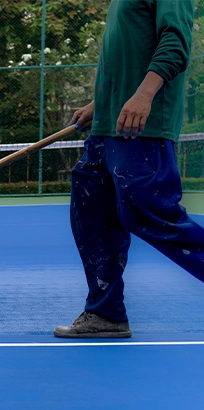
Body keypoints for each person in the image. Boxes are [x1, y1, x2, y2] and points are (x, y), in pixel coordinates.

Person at [57, 0, 197, 338]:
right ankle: (105, 314)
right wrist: (100, 102)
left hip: (141, 126)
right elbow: (126, 56)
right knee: (92, 213)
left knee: (150, 212)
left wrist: (145, 95)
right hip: (108, 123)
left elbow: (175, 42)